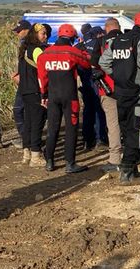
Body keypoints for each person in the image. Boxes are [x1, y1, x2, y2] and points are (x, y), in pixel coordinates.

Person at [99, 11, 140, 186]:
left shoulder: (117, 41)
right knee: (138, 132)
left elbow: (103, 63)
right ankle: (126, 172)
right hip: (139, 93)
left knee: (127, 130)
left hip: (120, 93)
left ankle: (132, 170)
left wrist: (118, 77)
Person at [37, 24, 91, 173]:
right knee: (71, 128)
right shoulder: (72, 51)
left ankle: (49, 162)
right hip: (70, 96)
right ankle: (70, 163)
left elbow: (42, 78)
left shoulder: (45, 54)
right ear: (73, 37)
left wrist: (43, 95)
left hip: (53, 96)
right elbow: (87, 63)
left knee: (52, 128)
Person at [92, 18, 123, 173]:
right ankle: (133, 154)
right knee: (129, 121)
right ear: (119, 27)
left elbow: (94, 63)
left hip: (108, 88)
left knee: (113, 124)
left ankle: (115, 158)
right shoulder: (128, 40)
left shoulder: (101, 42)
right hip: (128, 88)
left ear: (106, 29)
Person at [17, 23, 49, 167]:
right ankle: (36, 155)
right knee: (37, 122)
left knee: (28, 122)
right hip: (36, 90)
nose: (46, 36)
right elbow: (44, 70)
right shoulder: (37, 50)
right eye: (43, 33)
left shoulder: (24, 49)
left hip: (25, 90)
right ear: (35, 34)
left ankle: (27, 154)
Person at [76, 26, 107, 150]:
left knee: (88, 109)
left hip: (84, 81)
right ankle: (101, 139)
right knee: (99, 109)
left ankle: (87, 140)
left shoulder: (79, 46)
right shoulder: (99, 44)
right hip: (97, 81)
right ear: (98, 34)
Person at [10, 19, 32, 144]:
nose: (17, 33)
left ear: (27, 30)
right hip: (25, 80)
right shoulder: (24, 43)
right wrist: (18, 72)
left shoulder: (29, 45)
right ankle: (26, 137)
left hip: (28, 83)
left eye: (19, 31)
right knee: (21, 110)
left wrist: (21, 75)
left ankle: (26, 139)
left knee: (19, 109)